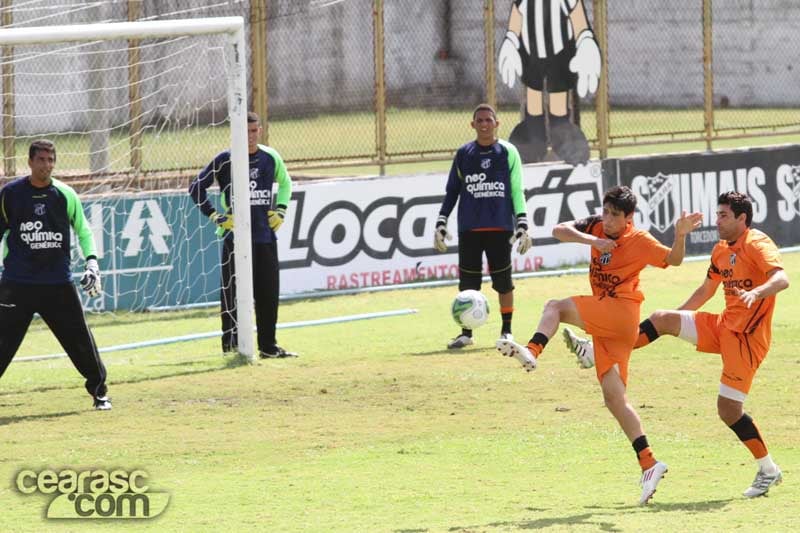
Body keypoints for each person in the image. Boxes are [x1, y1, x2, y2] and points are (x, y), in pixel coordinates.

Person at [563, 191, 789, 498]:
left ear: (741, 219)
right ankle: (593, 350)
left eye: (723, 215)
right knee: (663, 318)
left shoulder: (757, 244)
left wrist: (758, 292)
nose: (717, 220)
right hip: (723, 326)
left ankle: (768, 469)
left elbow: (781, 278)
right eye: (717, 213)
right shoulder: (722, 249)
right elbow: (706, 290)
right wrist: (681, 316)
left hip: (747, 339)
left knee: (728, 409)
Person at [495, 185, 702, 505]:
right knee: (614, 398)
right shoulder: (596, 226)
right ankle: (649, 463)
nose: (607, 219)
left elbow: (674, 260)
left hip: (620, 312)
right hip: (613, 328)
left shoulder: (639, 240)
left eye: (614, 215)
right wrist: (593, 239)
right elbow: (558, 229)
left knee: (555, 307)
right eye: (605, 211)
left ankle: (532, 351)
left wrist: (680, 234)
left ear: (629, 218)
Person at [0, 139, 111, 410]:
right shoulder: (10, 194)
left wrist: (92, 263)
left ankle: (99, 392)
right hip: (17, 282)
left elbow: (83, 231)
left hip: (57, 283)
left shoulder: (65, 194)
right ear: (30, 162)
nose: (46, 165)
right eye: (41, 160)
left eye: (51, 160)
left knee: (80, 340)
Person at [189, 111, 296, 359]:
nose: (250, 136)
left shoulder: (270, 157)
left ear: (260, 130)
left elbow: (286, 183)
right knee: (232, 295)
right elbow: (196, 188)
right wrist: (216, 217)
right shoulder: (225, 160)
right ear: (235, 133)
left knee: (268, 294)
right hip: (235, 241)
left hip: (265, 239)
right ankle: (232, 347)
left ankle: (268, 347)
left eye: (254, 130)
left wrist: (280, 210)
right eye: (245, 131)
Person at [434, 103, 533, 350]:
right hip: (469, 228)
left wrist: (522, 221)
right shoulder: (464, 153)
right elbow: (452, 191)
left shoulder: (508, 152)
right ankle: (466, 333)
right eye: (480, 120)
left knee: (503, 282)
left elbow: (516, 189)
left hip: (500, 228)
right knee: (468, 283)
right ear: (473, 124)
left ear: (497, 123)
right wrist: (441, 220)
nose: (485, 124)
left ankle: (507, 331)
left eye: (489, 120)